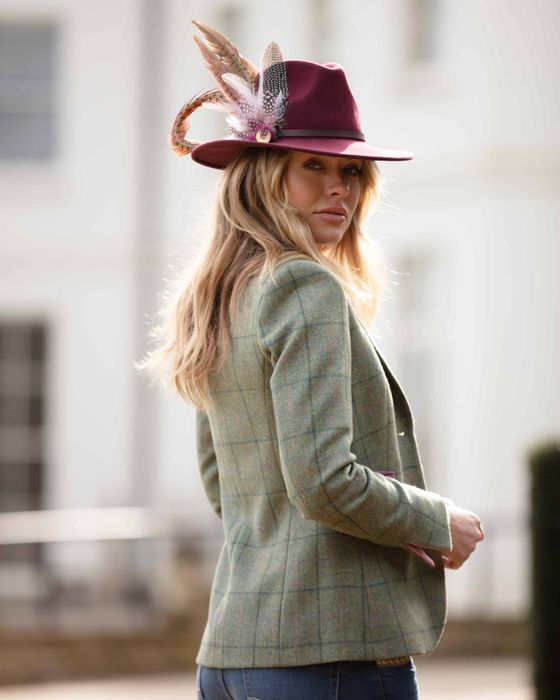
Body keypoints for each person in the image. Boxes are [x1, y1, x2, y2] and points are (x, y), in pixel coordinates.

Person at [136, 20, 485, 700]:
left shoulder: (222, 298)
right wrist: (437, 521)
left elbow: (222, 485)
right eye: (314, 166)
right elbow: (324, 481)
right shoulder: (304, 285)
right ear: (267, 174)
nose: (340, 189)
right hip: (331, 658)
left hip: (233, 657)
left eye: (351, 171)